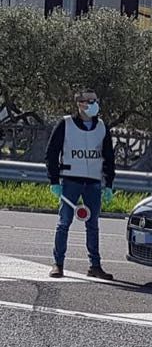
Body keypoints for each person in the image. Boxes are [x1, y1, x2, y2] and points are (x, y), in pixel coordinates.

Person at [45, 90, 116, 280]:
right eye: (89, 101)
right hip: (71, 180)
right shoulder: (65, 124)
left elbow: (109, 156)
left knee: (93, 225)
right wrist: (54, 180)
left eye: (95, 100)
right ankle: (58, 264)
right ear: (80, 104)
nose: (94, 104)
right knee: (64, 223)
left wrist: (108, 184)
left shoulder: (102, 127)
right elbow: (52, 153)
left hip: (93, 182)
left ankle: (95, 265)